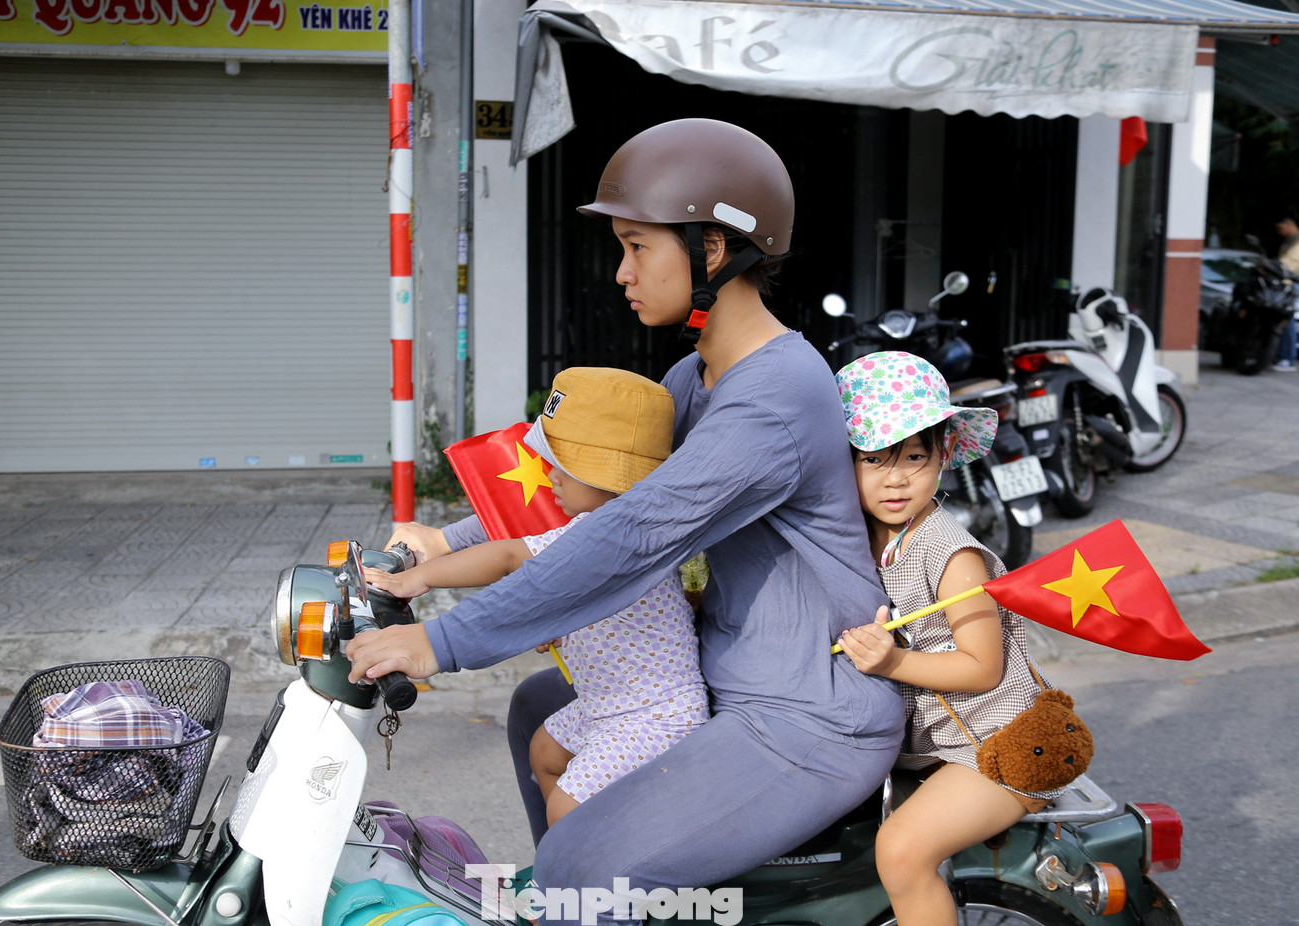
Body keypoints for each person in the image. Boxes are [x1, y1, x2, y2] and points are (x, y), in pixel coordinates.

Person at [346, 118, 904, 925]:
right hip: (733, 676)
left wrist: (443, 641)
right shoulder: (697, 375)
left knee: (583, 863)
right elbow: (589, 488)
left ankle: (582, 899)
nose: (621, 272)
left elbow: (634, 532)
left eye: (638, 246)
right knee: (538, 708)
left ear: (713, 249)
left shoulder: (775, 396)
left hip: (804, 717)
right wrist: (442, 543)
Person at [364, 366, 708, 828]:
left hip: (651, 717)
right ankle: (567, 847)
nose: (549, 475)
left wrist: (416, 578)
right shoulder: (616, 525)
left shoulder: (610, 535)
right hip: (608, 703)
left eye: (563, 466)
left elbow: (508, 557)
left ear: (608, 477)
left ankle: (581, 863)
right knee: (545, 753)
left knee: (566, 806)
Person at [834, 350, 1068, 926]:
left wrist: (890, 663)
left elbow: (982, 667)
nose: (895, 478)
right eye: (872, 458)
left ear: (943, 455)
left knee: (902, 851)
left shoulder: (950, 553)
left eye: (914, 456)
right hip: (938, 747)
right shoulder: (862, 534)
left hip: (1001, 745)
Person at [1272, 215, 1299, 372]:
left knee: (1286, 319)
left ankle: (1287, 358)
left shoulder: (1297, 242)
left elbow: (1288, 265)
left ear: (1289, 223)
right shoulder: (1290, 241)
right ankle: (1281, 355)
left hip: (1292, 285)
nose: (1279, 231)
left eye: (1280, 227)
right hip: (1286, 284)